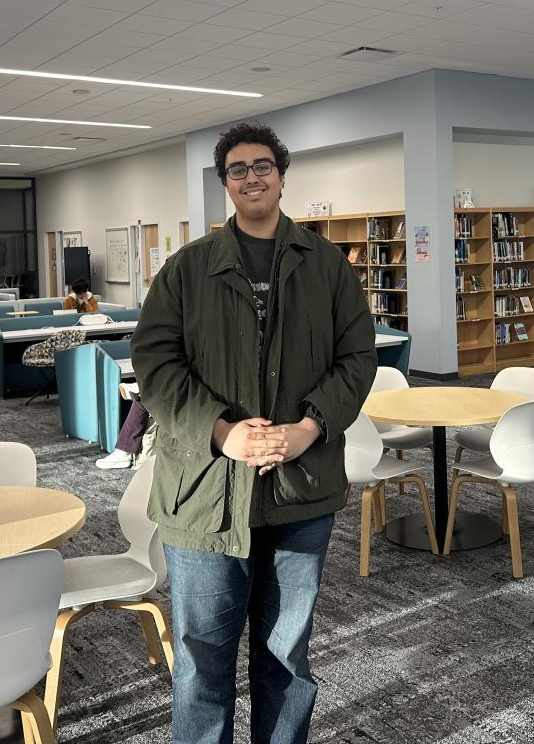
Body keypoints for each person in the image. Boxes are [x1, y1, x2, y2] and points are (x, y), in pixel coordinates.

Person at [131, 121, 376, 744]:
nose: (251, 177)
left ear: (282, 176)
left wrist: (309, 428)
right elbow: (156, 365)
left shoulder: (327, 266)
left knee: (287, 657)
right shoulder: (186, 270)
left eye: (262, 165)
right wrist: (221, 432)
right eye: (237, 169)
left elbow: (357, 358)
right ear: (226, 184)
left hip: (300, 490)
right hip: (204, 497)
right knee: (202, 664)